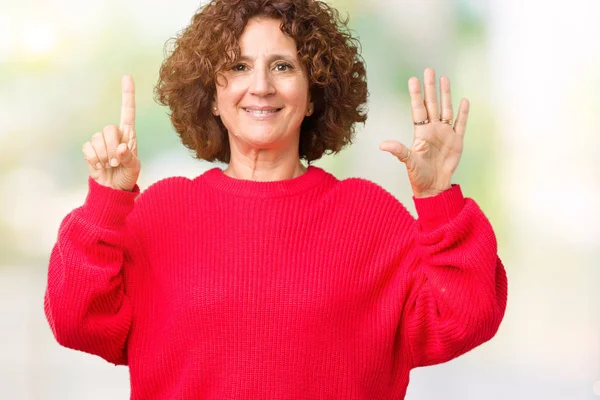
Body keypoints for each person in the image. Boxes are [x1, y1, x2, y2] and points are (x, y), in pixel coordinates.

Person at [44, 0, 508, 399]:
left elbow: (467, 317)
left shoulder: (368, 217)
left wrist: (437, 198)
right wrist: (106, 201)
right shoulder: (159, 213)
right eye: (239, 66)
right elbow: (75, 321)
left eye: (283, 66)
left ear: (312, 94)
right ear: (212, 96)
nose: (261, 86)